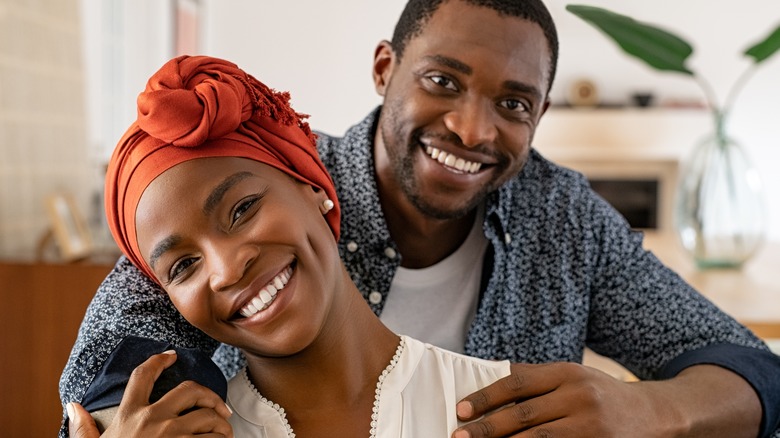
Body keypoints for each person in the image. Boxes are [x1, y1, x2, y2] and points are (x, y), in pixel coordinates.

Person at [62, 0, 780, 437]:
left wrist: (648, 414)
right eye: (443, 81)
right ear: (384, 69)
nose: (472, 129)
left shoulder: (564, 222)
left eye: (513, 104)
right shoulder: (259, 188)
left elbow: (753, 372)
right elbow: (99, 390)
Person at [65, 54, 513, 437]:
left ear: (313, 186)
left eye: (242, 210)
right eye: (183, 266)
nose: (226, 270)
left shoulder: (509, 410)